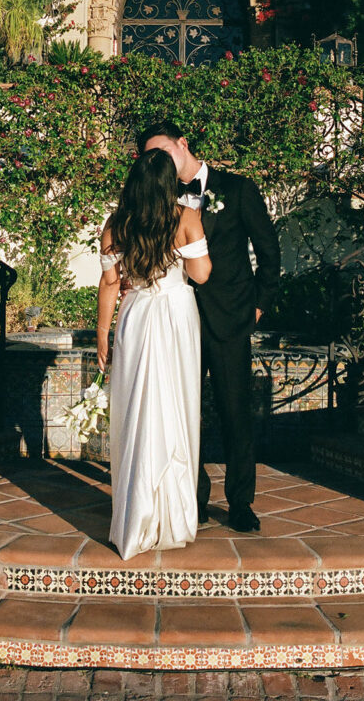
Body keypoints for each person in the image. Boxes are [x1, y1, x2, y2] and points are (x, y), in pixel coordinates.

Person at [138, 120, 281, 534]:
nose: (159, 162)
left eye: (164, 152)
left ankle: (240, 503)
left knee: (236, 412)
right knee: (184, 414)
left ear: (183, 144)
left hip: (230, 317)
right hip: (176, 320)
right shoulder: (155, 196)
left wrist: (260, 305)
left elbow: (268, 250)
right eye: (151, 158)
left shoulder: (237, 189)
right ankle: (193, 500)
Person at [97, 148, 212, 561]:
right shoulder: (186, 219)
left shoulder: (116, 224)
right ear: (168, 185)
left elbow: (110, 283)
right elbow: (201, 275)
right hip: (177, 316)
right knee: (176, 407)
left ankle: (135, 515)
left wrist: (101, 335)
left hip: (136, 316)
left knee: (137, 410)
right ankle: (171, 516)